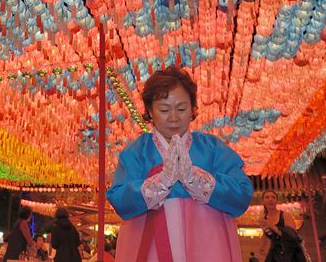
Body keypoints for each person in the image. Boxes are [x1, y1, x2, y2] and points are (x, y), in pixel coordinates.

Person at [106, 66, 254, 262]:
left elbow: (242, 195)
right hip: (150, 250)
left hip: (208, 248)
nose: (174, 117)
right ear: (150, 111)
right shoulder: (136, 153)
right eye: (164, 109)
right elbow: (120, 201)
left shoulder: (212, 148)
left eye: (182, 108)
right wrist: (159, 182)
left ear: (193, 109)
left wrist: (197, 179)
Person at [259, 190, 305, 262]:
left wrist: (272, 226)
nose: (270, 199)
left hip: (290, 253)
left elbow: (293, 236)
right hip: (275, 253)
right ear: (263, 201)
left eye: (273, 197)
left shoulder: (284, 215)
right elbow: (266, 233)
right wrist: (262, 247)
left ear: (276, 201)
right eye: (267, 197)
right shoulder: (265, 218)